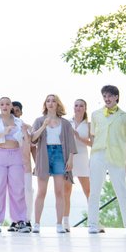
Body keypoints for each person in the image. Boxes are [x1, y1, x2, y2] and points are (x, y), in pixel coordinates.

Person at [87, 85, 126, 235]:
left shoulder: (125, 117)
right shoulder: (96, 114)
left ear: (116, 97)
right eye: (104, 96)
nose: (107, 98)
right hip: (98, 155)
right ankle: (92, 224)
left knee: (121, 190)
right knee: (94, 190)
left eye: (110, 96)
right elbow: (94, 137)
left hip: (117, 156)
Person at [31, 94, 77, 234]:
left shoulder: (65, 123)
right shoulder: (39, 121)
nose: (51, 103)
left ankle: (59, 224)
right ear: (45, 104)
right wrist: (44, 126)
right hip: (44, 154)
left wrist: (70, 159)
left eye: (54, 101)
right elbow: (33, 139)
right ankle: (37, 224)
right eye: (48, 101)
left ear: (58, 104)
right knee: (41, 192)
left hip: (59, 155)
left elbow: (70, 142)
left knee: (59, 191)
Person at [0, 97, 28, 233]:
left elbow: (27, 137)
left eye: (8, 104)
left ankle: (20, 220)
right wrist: (4, 132)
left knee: (18, 189)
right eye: (2, 104)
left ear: (11, 107)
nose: (5, 106)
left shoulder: (19, 122)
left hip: (15, 155)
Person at [64, 98, 91, 231]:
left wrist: (79, 137)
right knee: (66, 191)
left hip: (83, 159)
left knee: (89, 191)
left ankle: (94, 221)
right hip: (69, 159)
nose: (78, 108)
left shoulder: (89, 125)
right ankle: (65, 223)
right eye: (76, 105)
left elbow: (93, 143)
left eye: (81, 106)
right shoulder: (67, 123)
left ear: (85, 108)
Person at [11, 101, 34, 232]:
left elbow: (34, 145)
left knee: (28, 192)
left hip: (25, 164)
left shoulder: (27, 127)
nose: (15, 112)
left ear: (21, 112)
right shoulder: (6, 127)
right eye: (12, 110)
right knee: (14, 193)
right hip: (12, 165)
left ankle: (27, 219)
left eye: (17, 110)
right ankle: (15, 220)